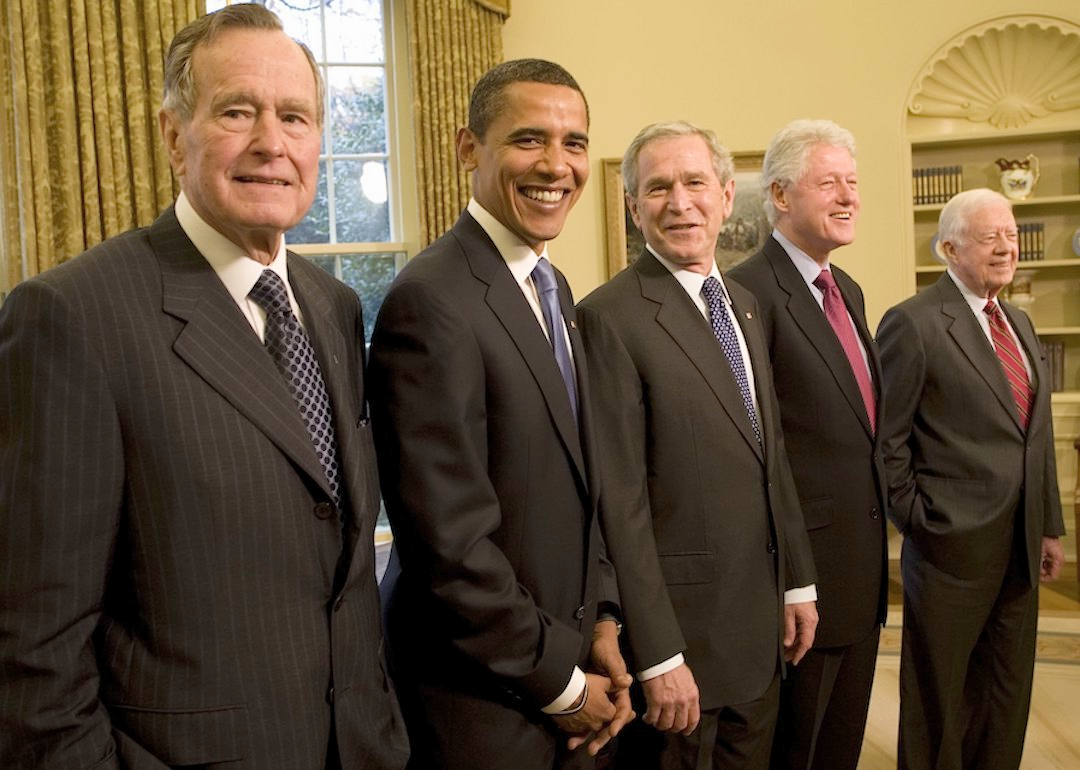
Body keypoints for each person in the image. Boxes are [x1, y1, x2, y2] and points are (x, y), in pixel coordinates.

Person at [0, 6, 408, 769]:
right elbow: (32, 650)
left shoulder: (333, 305)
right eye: (236, 112)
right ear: (171, 134)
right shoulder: (71, 317)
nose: (272, 143)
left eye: (295, 117)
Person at [367, 59, 633, 769]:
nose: (557, 165)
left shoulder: (552, 286)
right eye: (529, 139)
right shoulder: (430, 301)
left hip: (565, 667)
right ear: (468, 149)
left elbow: (580, 486)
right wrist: (563, 683)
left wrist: (604, 618)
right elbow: (449, 548)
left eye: (574, 142)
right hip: (480, 700)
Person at [578, 121, 818, 769]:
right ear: (634, 207)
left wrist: (796, 583)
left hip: (760, 632)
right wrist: (657, 652)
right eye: (657, 188)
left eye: (694, 183)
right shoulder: (607, 318)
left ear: (726, 192)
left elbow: (770, 459)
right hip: (683, 651)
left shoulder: (741, 304)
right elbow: (619, 502)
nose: (679, 203)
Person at [877, 188, 1066, 770]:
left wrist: (1050, 525)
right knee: (940, 701)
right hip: (948, 553)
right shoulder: (913, 323)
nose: (1007, 248)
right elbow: (888, 445)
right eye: (991, 238)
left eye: (1010, 235)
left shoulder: (1021, 321)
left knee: (1005, 693)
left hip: (1020, 546)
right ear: (950, 247)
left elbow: (1037, 436)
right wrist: (923, 520)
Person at [727, 119, 887, 770]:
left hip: (863, 568)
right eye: (830, 183)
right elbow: (758, 452)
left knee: (840, 746)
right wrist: (797, 580)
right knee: (798, 749)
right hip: (803, 581)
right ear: (782, 195)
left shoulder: (846, 289)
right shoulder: (747, 295)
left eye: (853, 183)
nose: (849, 197)